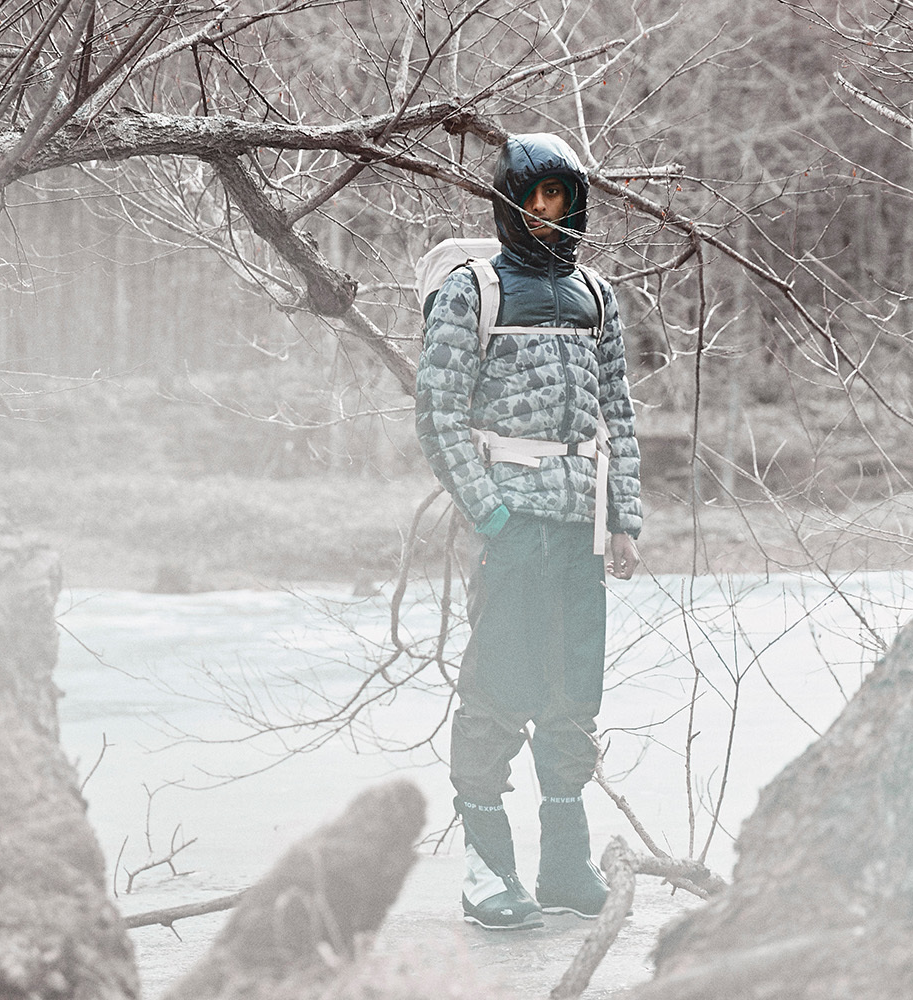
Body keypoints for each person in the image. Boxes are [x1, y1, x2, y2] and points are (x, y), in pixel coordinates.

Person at [414, 133, 643, 930]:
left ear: (576, 203)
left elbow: (618, 414)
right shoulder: (471, 292)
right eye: (535, 195)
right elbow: (438, 415)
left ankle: (565, 868)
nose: (547, 210)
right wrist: (492, 513)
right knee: (498, 691)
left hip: (582, 528)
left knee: (572, 697)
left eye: (560, 196)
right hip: (511, 528)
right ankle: (487, 874)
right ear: (509, 201)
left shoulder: (597, 296)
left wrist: (623, 519)